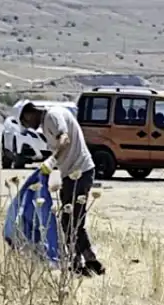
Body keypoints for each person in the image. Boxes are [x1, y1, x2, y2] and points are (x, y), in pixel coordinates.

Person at [18, 101, 104, 276]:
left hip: (80, 171)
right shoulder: (48, 121)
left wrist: (52, 160)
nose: (29, 127)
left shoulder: (52, 116)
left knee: (72, 219)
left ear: (29, 113)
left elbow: (64, 139)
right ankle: (78, 261)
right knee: (69, 219)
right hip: (72, 173)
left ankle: (90, 261)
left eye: (25, 122)